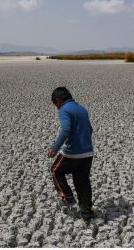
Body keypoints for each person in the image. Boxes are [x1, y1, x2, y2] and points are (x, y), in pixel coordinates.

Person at [47, 87, 94, 222]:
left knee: (55, 170)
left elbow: (66, 129)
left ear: (58, 100)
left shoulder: (64, 109)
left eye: (55, 104)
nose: (56, 107)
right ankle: (87, 215)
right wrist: (84, 142)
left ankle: (67, 198)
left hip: (72, 152)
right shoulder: (82, 108)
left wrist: (55, 147)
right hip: (88, 152)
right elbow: (90, 129)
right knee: (82, 182)